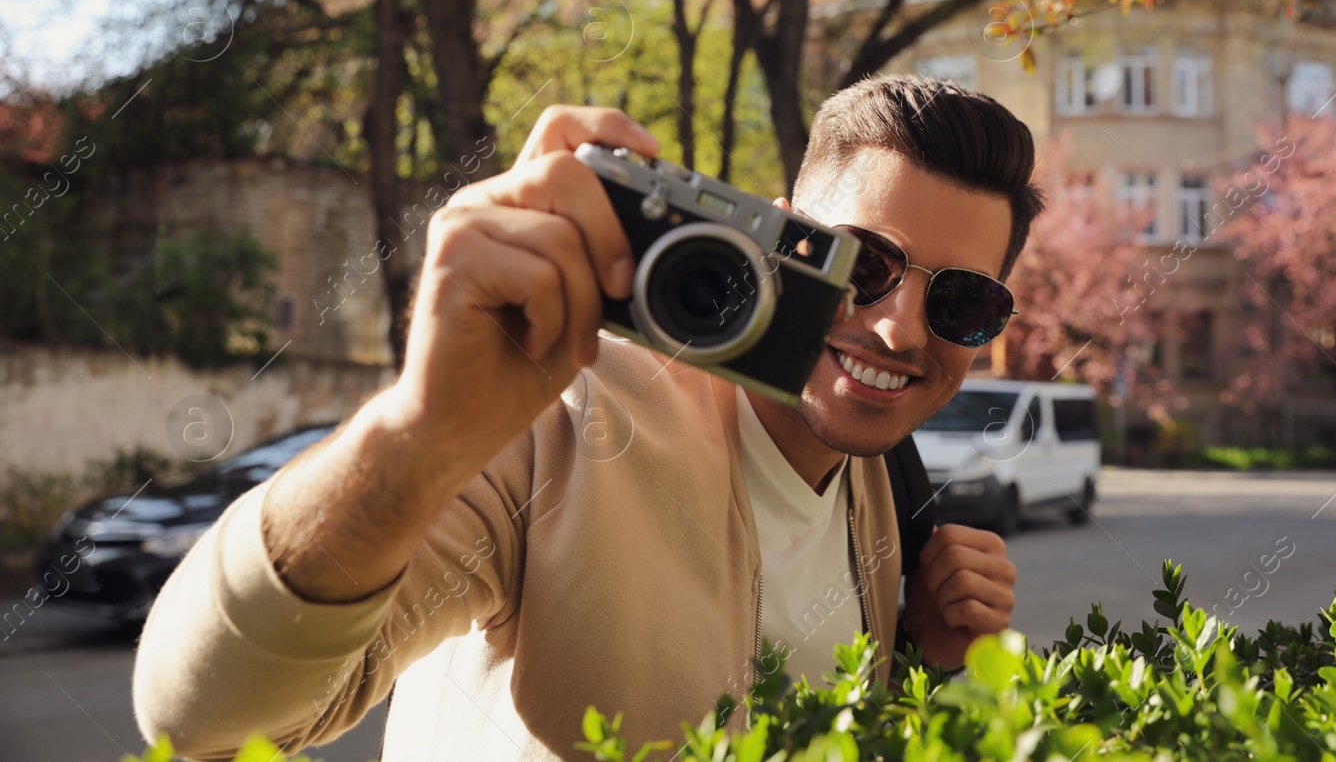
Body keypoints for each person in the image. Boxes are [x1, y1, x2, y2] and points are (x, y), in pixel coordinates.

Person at [132, 74, 1045, 762]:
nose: (898, 326)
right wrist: (417, 434)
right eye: (865, 263)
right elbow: (204, 718)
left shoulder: (889, 490)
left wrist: (928, 663)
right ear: (778, 236)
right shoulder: (566, 416)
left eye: (960, 301)